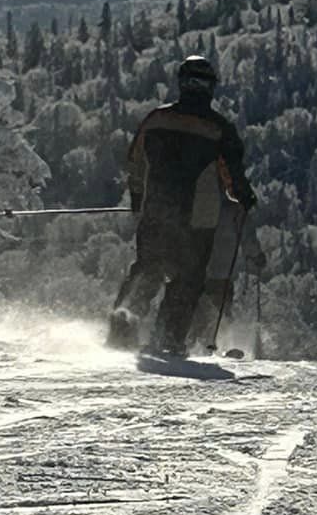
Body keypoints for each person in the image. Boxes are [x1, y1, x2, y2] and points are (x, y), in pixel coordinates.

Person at [107, 56, 258, 356]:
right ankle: (167, 340)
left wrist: (138, 198)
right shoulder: (218, 128)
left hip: (156, 212)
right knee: (187, 279)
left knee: (148, 268)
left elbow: (135, 162)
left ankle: (121, 330)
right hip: (198, 218)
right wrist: (244, 197)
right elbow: (233, 176)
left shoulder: (157, 118)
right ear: (210, 88)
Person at [187, 194, 266, 352]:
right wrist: (256, 255)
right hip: (221, 271)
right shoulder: (236, 210)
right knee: (221, 309)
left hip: (197, 268)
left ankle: (189, 342)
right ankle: (215, 344)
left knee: (197, 307)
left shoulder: (198, 202)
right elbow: (247, 236)